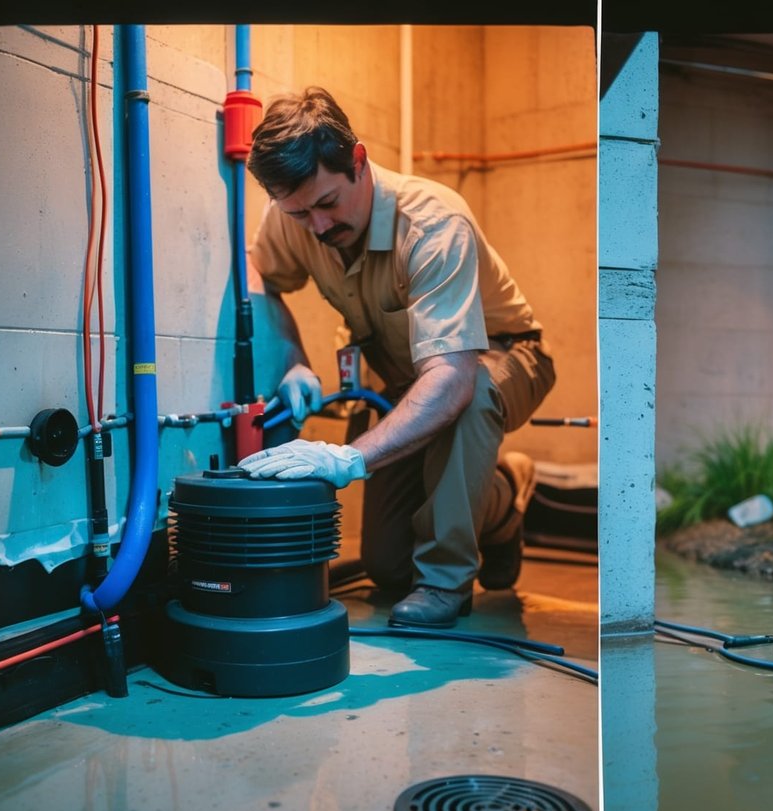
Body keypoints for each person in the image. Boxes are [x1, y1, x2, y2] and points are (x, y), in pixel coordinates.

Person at [237, 87, 555, 629]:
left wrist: (348, 459)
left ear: (357, 162)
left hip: (499, 356)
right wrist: (293, 357)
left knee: (473, 394)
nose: (316, 226)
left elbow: (452, 378)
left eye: (328, 204)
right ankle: (499, 499)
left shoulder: (433, 225)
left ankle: (448, 579)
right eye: (298, 213)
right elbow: (260, 274)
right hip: (404, 375)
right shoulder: (292, 215)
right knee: (387, 567)